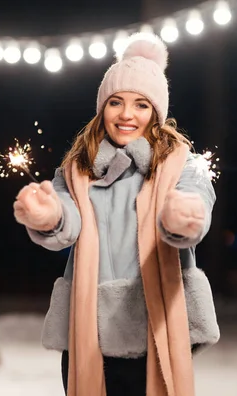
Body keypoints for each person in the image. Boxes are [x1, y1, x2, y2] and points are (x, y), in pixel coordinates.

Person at [14, 32, 219, 396]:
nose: (127, 114)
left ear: (156, 112)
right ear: (102, 108)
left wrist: (183, 215)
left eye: (141, 104)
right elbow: (67, 219)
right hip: (88, 328)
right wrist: (47, 215)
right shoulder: (76, 169)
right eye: (116, 102)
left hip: (156, 328)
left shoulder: (182, 165)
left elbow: (195, 201)